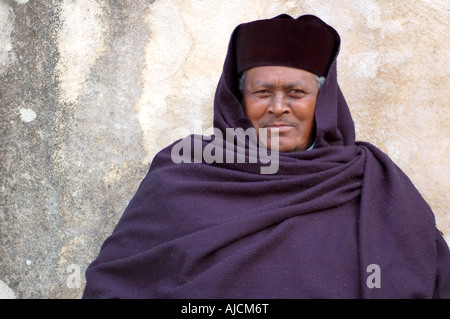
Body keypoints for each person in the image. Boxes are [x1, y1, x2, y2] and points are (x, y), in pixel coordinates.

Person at [82, 14, 450, 299]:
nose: (278, 107)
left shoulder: (373, 184)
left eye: (295, 92)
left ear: (322, 100)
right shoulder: (185, 172)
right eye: (262, 92)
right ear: (238, 99)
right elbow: (116, 284)